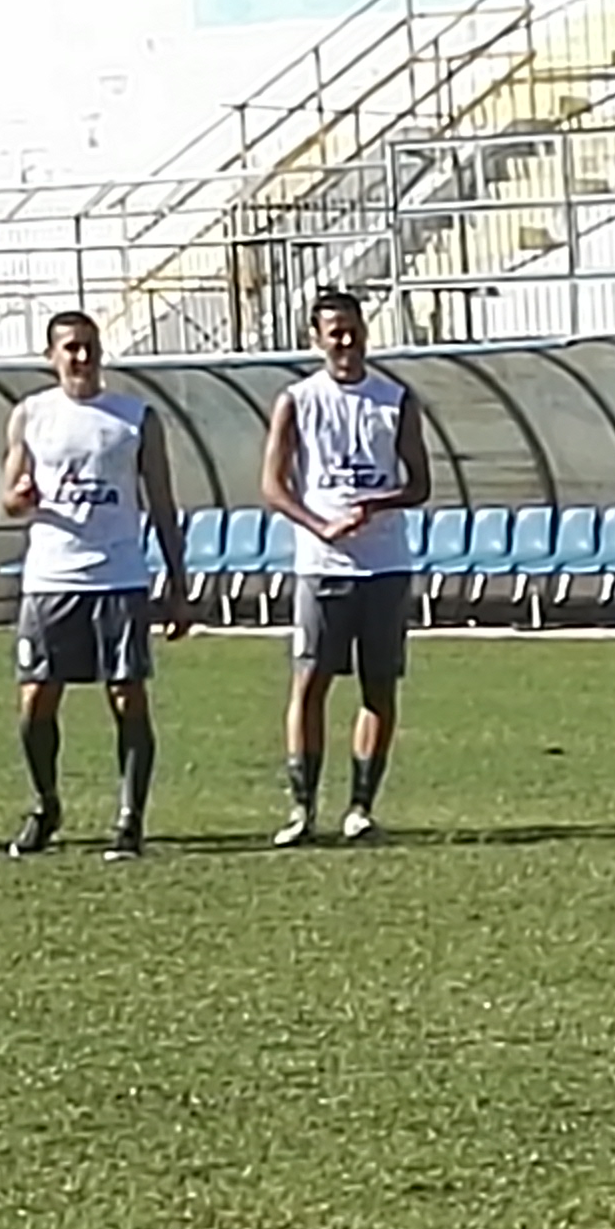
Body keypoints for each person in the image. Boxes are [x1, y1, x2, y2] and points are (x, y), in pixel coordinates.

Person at [0, 311, 190, 860]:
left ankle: (130, 818)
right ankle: (46, 804)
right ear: (51, 356)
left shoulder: (134, 418)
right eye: (70, 348)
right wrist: (20, 499)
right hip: (51, 579)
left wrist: (177, 585)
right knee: (36, 698)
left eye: (89, 347)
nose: (81, 357)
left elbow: (162, 503)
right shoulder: (31, 414)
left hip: (118, 576)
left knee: (127, 697)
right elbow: (8, 499)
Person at [258, 288, 432, 847]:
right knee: (310, 682)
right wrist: (318, 524)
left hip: (384, 566)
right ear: (316, 339)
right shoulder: (298, 400)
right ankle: (302, 808)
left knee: (379, 686)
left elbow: (420, 484)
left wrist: (377, 504)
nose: (346, 341)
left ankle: (360, 807)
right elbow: (273, 486)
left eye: (353, 329)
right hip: (322, 565)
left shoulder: (395, 400)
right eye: (334, 332)